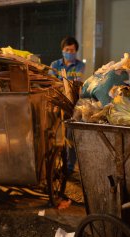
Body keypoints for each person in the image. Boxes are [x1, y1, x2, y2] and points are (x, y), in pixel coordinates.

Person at [49, 36, 85, 176]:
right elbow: (53, 83)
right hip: (57, 103)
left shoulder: (79, 65)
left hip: (72, 104)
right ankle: (55, 163)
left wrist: (65, 84)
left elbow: (76, 83)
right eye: (67, 50)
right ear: (62, 50)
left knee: (70, 135)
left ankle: (69, 167)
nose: (69, 52)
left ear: (76, 51)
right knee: (55, 135)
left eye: (72, 50)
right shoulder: (55, 64)